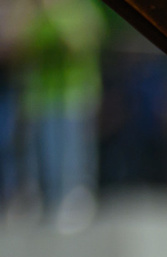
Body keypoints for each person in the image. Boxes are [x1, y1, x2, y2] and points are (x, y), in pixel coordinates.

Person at [17, 0, 103, 225]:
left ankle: (75, 196)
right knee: (43, 153)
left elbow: (77, 44)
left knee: (71, 150)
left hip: (73, 94)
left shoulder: (80, 9)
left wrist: (54, 16)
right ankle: (46, 200)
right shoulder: (36, 15)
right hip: (42, 97)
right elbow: (23, 50)